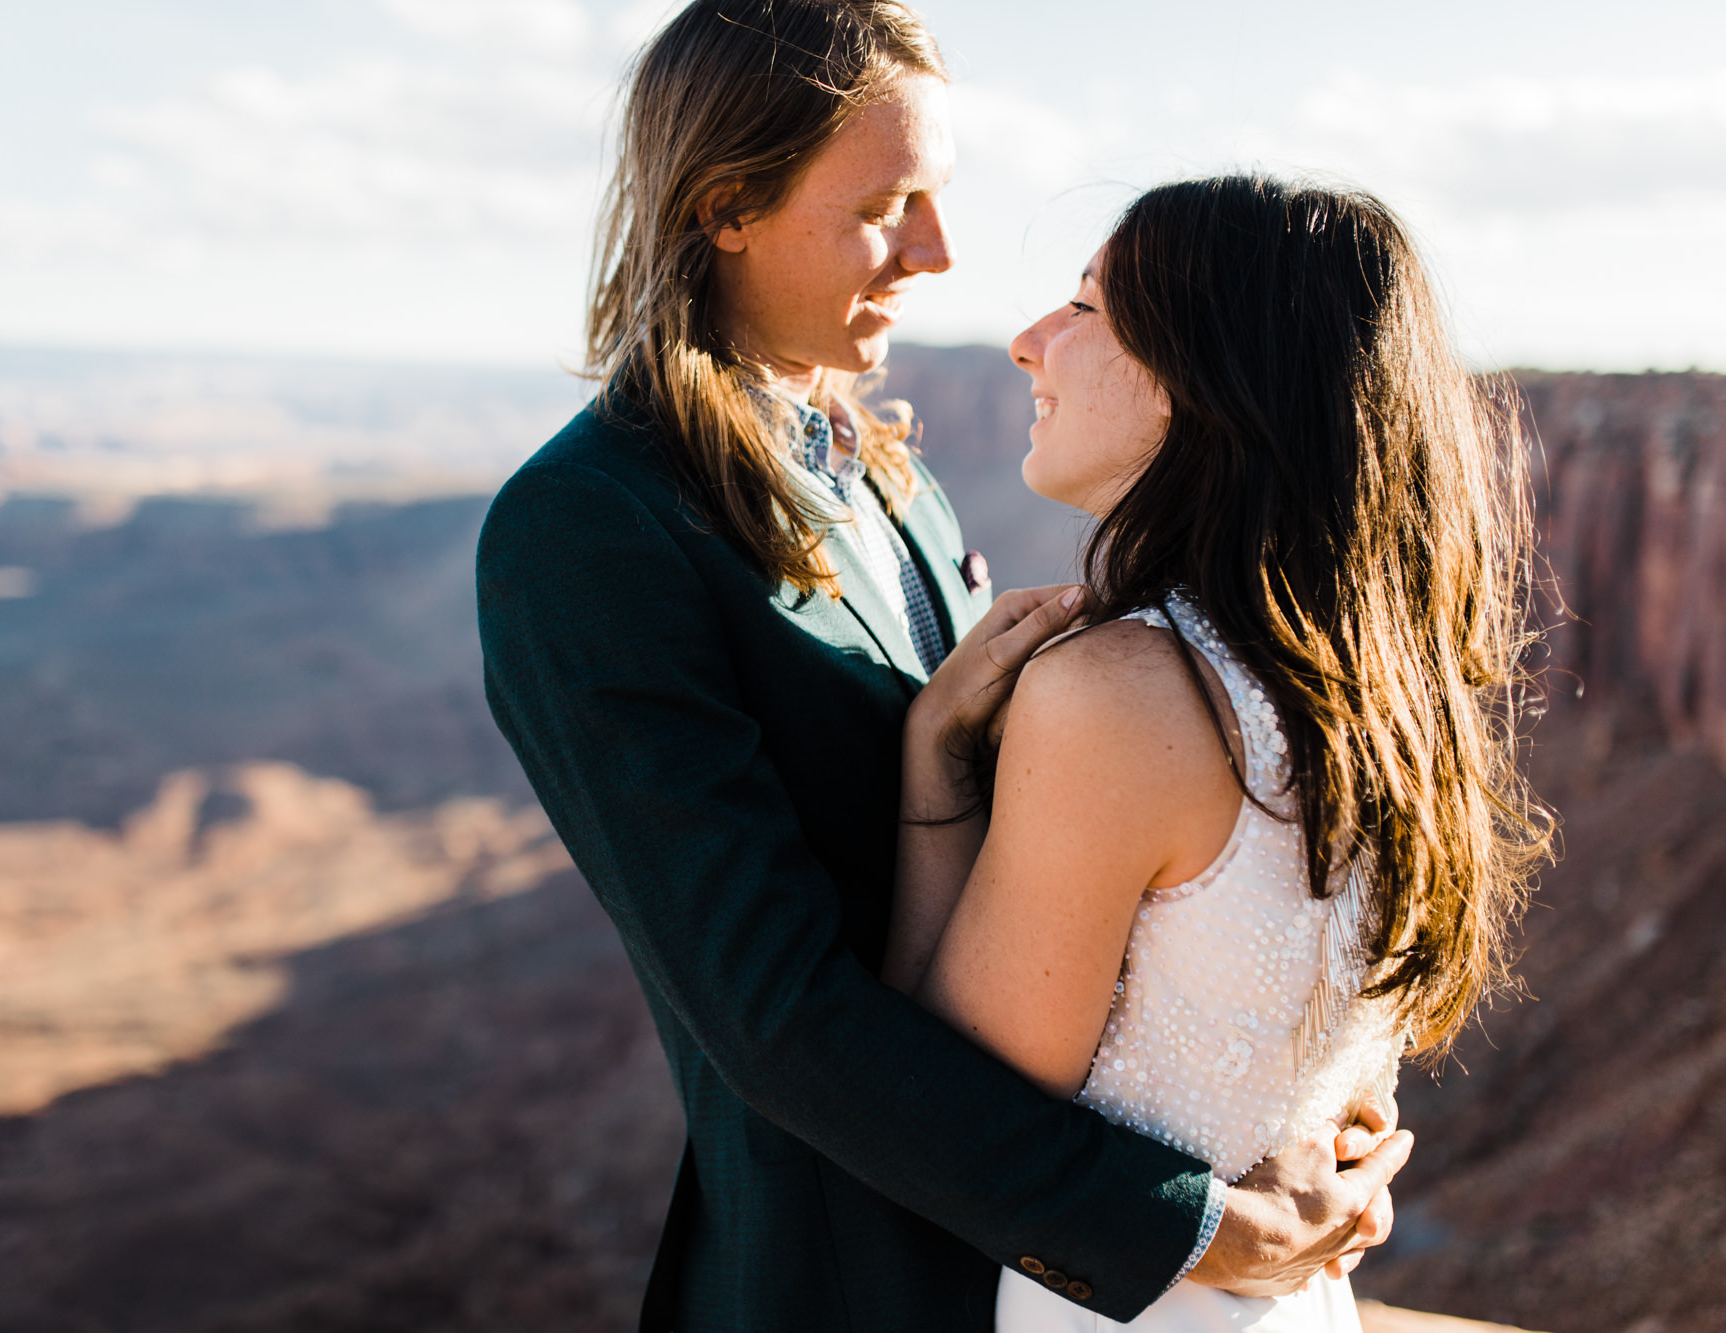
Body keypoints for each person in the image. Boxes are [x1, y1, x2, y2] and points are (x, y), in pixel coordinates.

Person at [478, 5, 1408, 1329]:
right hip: (847, 1279)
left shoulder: (884, 477)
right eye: (887, 206)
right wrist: (1193, 1227)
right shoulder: (587, 530)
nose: (938, 251)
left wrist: (1301, 1098)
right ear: (728, 203)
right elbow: (774, 1011)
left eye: (937, 199)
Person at [884, 175, 1553, 1331]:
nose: (1026, 341)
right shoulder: (1383, 696)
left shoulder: (1113, 693)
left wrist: (930, 767)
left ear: (1206, 378)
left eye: (1086, 309)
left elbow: (954, 1107)